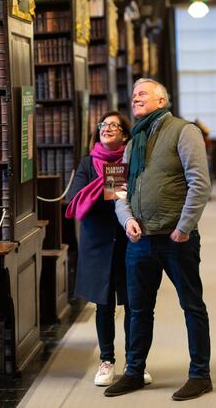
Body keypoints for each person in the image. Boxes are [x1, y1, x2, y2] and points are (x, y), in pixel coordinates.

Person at [104, 78, 213, 401]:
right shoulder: (131, 143)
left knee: (192, 306)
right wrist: (127, 221)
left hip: (177, 238)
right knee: (138, 309)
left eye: (142, 94)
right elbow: (116, 191)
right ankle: (134, 372)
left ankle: (200, 375)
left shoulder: (184, 131)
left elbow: (200, 183)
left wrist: (184, 226)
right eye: (133, 95)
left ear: (162, 101)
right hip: (139, 241)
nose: (135, 98)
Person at [65, 111, 151, 387]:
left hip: (128, 240)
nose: (107, 128)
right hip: (98, 242)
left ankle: (133, 363)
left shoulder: (133, 160)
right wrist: (107, 186)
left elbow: (139, 196)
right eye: (104, 124)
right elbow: (74, 199)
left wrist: (115, 193)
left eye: (114, 125)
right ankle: (106, 360)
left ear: (125, 135)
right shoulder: (87, 163)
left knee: (131, 302)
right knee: (104, 305)